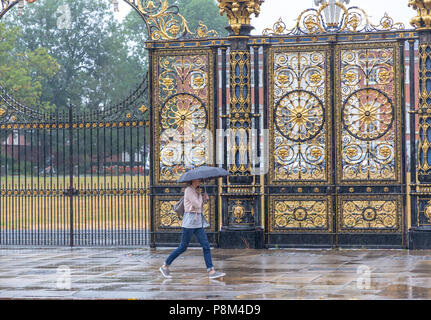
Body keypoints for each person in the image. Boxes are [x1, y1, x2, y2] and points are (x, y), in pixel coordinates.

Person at [159, 179, 226, 279]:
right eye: (198, 180)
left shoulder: (196, 190)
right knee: (183, 247)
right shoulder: (189, 190)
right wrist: (200, 197)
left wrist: (203, 198)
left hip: (198, 223)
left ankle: (211, 271)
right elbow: (197, 205)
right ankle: (164, 266)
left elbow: (199, 207)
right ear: (192, 180)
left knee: (206, 246)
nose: (200, 181)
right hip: (189, 223)